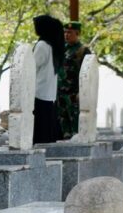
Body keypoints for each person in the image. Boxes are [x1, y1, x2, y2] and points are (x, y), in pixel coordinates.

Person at [56, 20, 92, 139]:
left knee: (75, 122)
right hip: (60, 93)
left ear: (77, 33)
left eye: (70, 32)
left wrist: (81, 92)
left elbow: (87, 74)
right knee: (62, 121)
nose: (66, 35)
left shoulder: (83, 51)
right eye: (65, 32)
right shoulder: (61, 49)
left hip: (74, 94)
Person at [32, 15, 64, 144]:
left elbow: (32, 67)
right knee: (47, 132)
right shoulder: (53, 46)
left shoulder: (42, 45)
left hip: (38, 92)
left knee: (38, 133)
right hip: (50, 94)